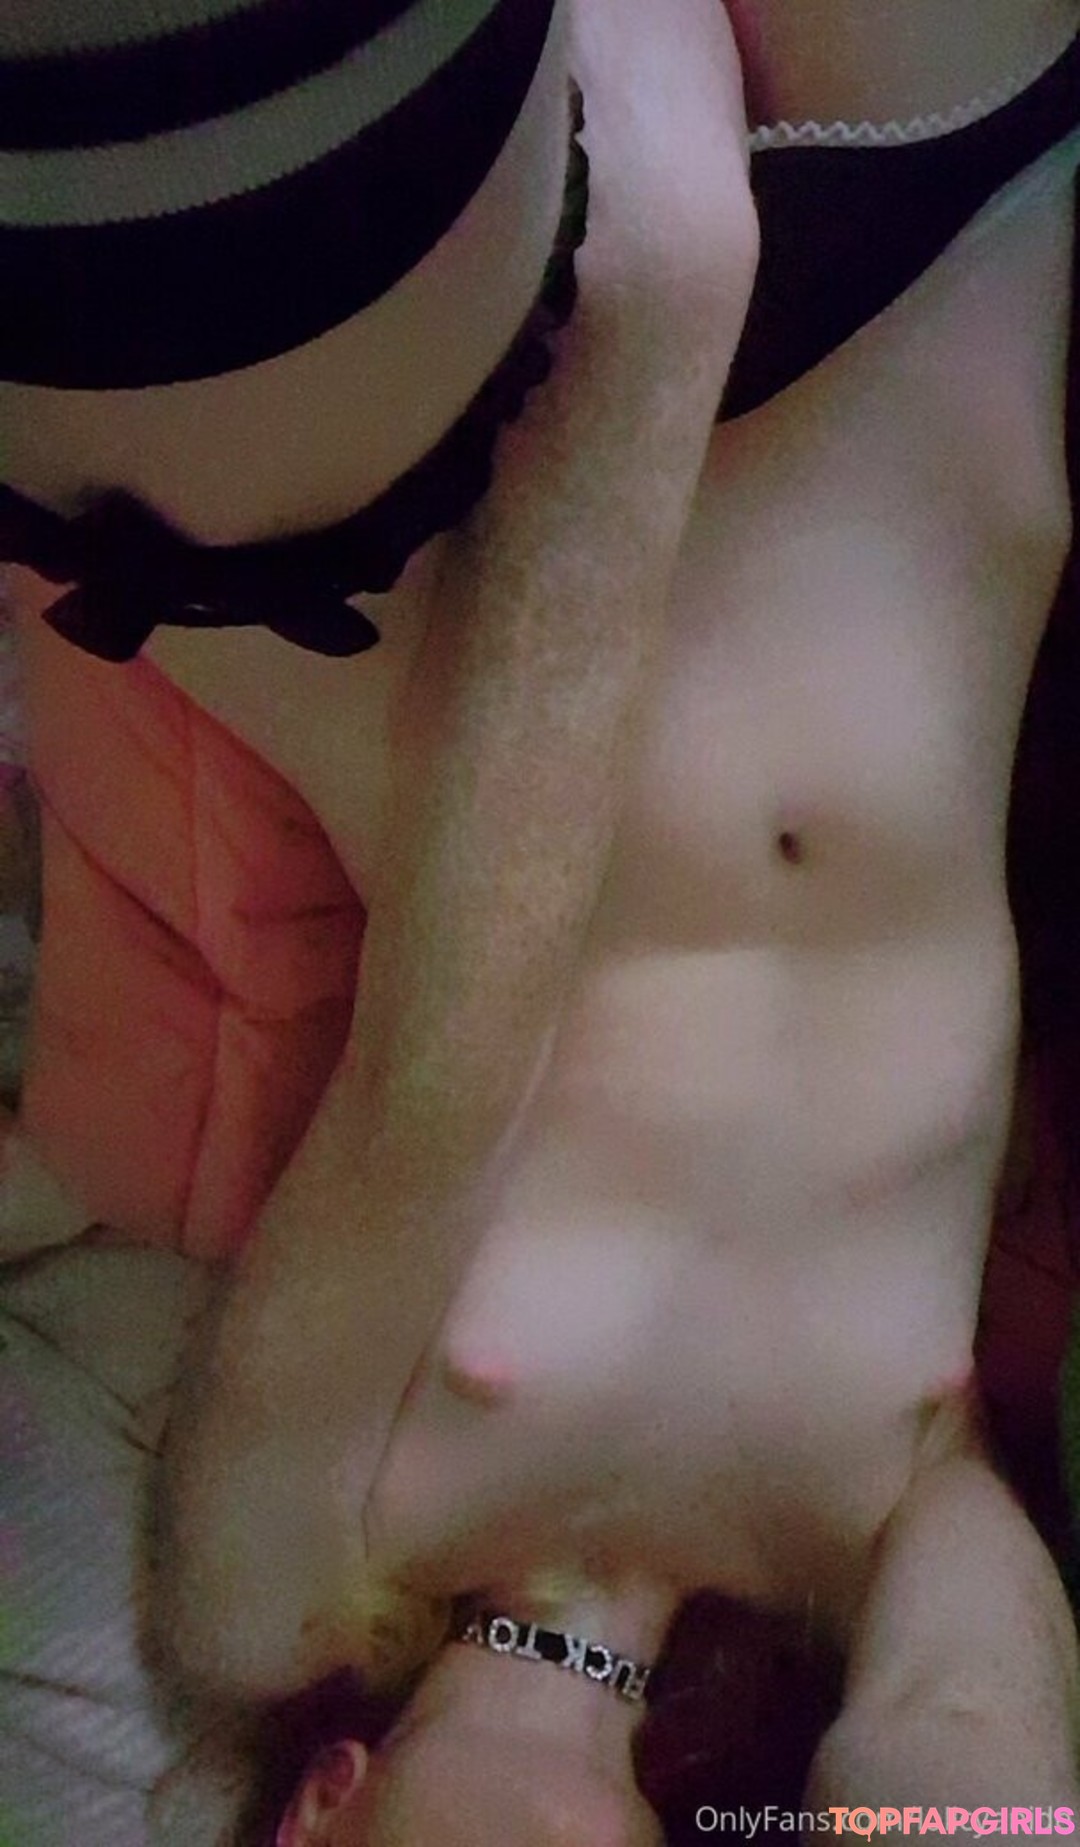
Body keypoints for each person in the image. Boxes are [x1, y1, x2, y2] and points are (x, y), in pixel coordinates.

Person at [3, 1, 1080, 1842]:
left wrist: (652, 328)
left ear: (320, 1814)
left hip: (450, 488)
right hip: (922, 373)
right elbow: (980, 1779)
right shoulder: (859, 1561)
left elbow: (441, 1065)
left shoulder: (273, 1603)